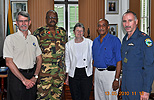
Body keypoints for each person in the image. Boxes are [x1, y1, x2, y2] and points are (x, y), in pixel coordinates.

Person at [3, 11, 42, 100]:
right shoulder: (10, 39)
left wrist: (35, 77)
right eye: (21, 21)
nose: (23, 24)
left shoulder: (34, 39)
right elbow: (9, 62)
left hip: (31, 78)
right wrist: (23, 80)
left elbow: (39, 58)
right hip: (16, 77)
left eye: (26, 21)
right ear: (16, 23)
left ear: (29, 22)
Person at [33, 10, 67, 100]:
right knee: (42, 97)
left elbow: (66, 52)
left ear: (57, 19)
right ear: (46, 19)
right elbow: (34, 53)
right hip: (44, 73)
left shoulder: (62, 32)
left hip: (59, 73)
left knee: (57, 97)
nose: (52, 19)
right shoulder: (39, 32)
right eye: (50, 17)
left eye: (54, 17)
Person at [121, 11, 154, 100]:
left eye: (130, 20)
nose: (127, 24)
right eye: (124, 21)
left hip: (137, 85)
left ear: (136, 22)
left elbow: (149, 66)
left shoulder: (144, 40)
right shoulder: (125, 39)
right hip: (125, 84)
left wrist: (146, 90)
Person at [92, 18, 122, 100]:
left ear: (108, 27)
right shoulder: (95, 42)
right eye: (99, 26)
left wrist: (116, 79)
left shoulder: (115, 40)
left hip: (110, 75)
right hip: (98, 74)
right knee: (98, 97)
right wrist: (94, 77)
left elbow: (119, 61)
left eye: (103, 25)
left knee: (111, 97)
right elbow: (94, 61)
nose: (101, 27)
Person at [65, 23, 93, 100]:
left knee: (85, 96)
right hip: (74, 73)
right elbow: (67, 61)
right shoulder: (68, 44)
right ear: (74, 32)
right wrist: (67, 76)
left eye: (81, 31)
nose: (79, 32)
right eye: (77, 30)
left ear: (83, 32)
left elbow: (93, 58)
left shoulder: (89, 43)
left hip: (86, 73)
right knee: (75, 96)